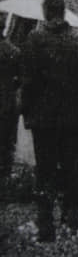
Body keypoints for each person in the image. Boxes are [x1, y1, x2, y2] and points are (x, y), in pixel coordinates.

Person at [19, 0, 78, 241]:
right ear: (64, 12)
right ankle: (70, 220)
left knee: (44, 171)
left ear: (45, 12)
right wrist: (76, 105)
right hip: (73, 118)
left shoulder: (34, 40)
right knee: (72, 171)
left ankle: (45, 226)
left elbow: (28, 82)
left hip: (44, 120)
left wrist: (29, 110)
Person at [0, 32, 20, 181]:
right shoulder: (13, 51)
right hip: (6, 99)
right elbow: (20, 78)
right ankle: (4, 176)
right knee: (6, 141)